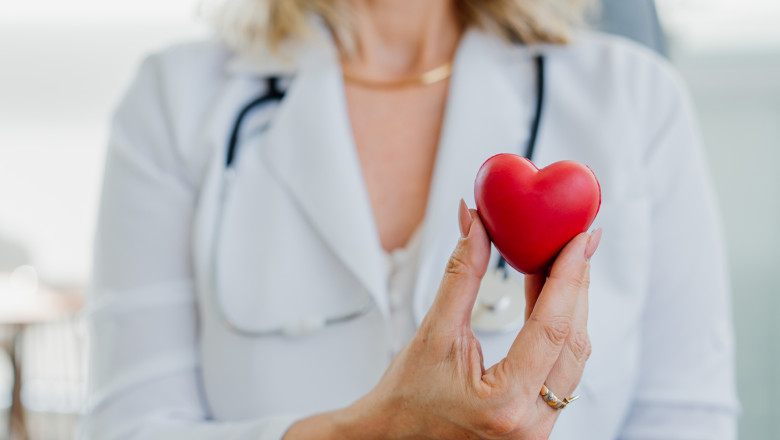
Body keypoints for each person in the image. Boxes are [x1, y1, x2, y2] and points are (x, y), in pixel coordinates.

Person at [79, 0, 738, 438]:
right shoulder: (173, 101)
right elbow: (130, 428)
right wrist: (368, 431)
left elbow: (688, 422)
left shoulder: (635, 99)